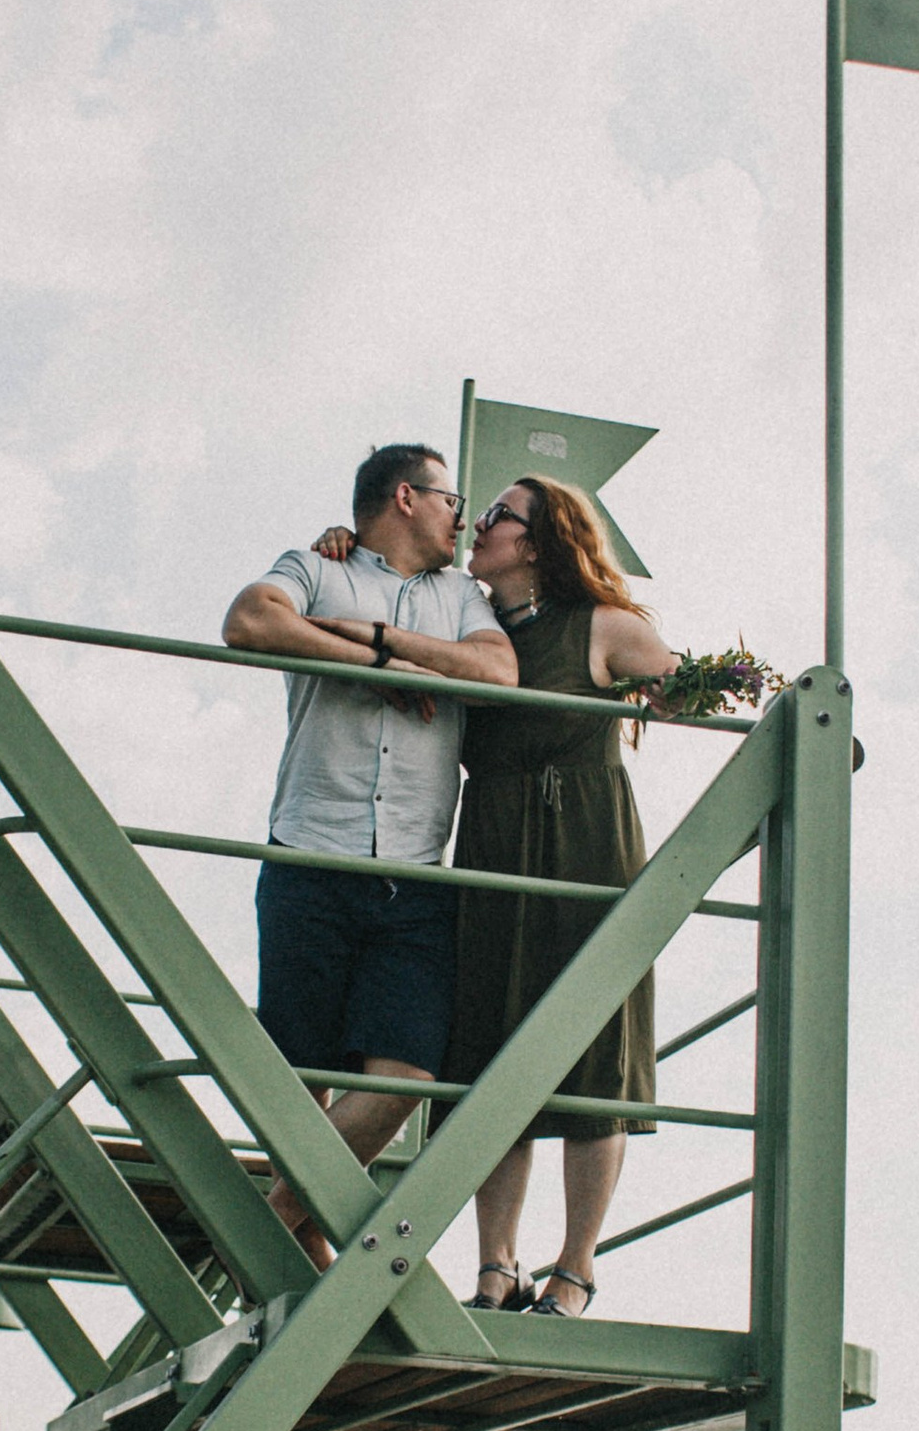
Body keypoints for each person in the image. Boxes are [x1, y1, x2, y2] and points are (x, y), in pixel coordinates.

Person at [223, 443, 515, 1259]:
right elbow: (250, 621)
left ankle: (270, 1227)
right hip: (311, 851)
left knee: (407, 1075)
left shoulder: (461, 595)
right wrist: (373, 667)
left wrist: (382, 640)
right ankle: (302, 1249)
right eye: (454, 500)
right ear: (407, 497)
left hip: (414, 872)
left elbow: (498, 670)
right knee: (298, 1083)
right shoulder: (316, 568)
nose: (464, 516)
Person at [440, 478, 675, 1314]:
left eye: (497, 515)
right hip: (495, 835)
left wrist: (700, 689)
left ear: (536, 543)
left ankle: (575, 1268)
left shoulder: (608, 627)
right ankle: (495, 1267)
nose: (477, 525)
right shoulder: (465, 621)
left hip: (586, 839)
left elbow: (693, 692)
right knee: (490, 1044)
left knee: (594, 1050)